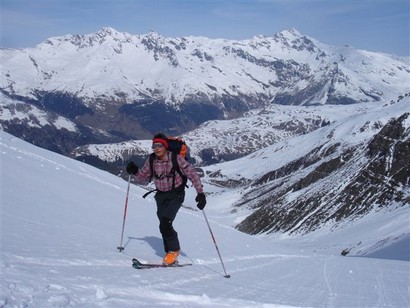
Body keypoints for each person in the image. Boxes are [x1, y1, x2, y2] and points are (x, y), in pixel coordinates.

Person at [126, 132, 206, 265]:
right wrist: (134, 171)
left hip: (176, 195)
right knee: (163, 223)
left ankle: (174, 251)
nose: (156, 148)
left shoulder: (176, 159)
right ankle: (169, 251)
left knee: (165, 222)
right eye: (154, 146)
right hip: (160, 196)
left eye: (159, 146)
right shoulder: (151, 159)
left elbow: (192, 174)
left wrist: (200, 193)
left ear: (165, 147)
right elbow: (144, 177)